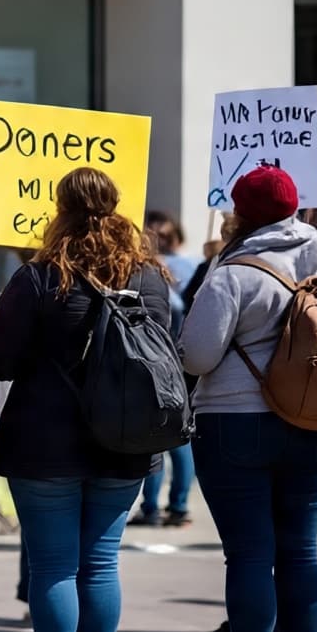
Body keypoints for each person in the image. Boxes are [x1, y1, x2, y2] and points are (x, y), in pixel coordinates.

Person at [0, 168, 170, 632]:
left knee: (55, 567)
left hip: (46, 442)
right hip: (126, 439)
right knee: (101, 564)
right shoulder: (148, 277)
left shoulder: (41, 275)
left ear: (58, 208)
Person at [179, 167, 317, 632]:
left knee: (249, 556)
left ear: (238, 212)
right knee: (303, 553)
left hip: (236, 423)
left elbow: (197, 356)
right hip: (314, 421)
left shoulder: (233, 270)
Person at [129, 210, 199, 528]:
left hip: (163, 359)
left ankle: (162, 506)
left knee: (162, 437)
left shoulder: (162, 269)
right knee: (175, 436)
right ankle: (171, 506)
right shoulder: (183, 266)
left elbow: (179, 307)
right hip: (173, 359)